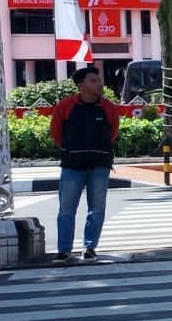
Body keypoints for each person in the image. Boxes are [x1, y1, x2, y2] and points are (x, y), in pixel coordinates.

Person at [50, 65, 121, 262]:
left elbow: (113, 132)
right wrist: (70, 149)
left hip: (100, 165)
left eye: (98, 80)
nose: (99, 84)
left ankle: (90, 248)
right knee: (66, 210)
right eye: (93, 81)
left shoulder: (109, 107)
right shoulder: (65, 106)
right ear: (81, 85)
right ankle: (64, 250)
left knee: (97, 208)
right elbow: (56, 132)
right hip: (72, 165)